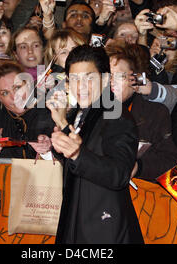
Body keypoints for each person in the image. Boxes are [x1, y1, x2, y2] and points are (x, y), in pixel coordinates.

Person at [47, 45, 143, 243]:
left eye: (89, 78)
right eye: (74, 79)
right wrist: (63, 129)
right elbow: (80, 154)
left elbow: (119, 174)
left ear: (106, 79)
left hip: (106, 231)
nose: (81, 86)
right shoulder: (78, 114)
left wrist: (76, 154)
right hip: (77, 222)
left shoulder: (117, 117)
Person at [107, 42, 177, 181]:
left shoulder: (155, 114)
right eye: (106, 76)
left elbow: (174, 160)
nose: (111, 82)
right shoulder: (91, 111)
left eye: (119, 76)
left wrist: (140, 167)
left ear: (135, 79)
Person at [0, 59, 54, 159]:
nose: (14, 97)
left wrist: (48, 148)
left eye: (17, 88)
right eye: (5, 93)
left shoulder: (49, 108)